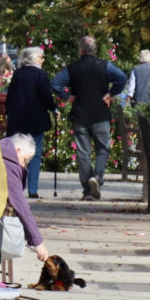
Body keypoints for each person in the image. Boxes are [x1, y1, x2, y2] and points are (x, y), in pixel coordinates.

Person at [51, 36, 127, 200]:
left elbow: (55, 84)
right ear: (94, 50)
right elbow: (122, 78)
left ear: (81, 50)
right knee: (103, 148)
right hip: (100, 114)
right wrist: (110, 94)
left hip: (80, 115)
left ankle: (87, 190)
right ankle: (98, 177)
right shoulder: (104, 66)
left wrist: (67, 95)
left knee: (83, 153)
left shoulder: (73, 68)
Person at [5, 47, 57, 199]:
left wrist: (8, 114)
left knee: (16, 154)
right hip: (36, 121)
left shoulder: (18, 74)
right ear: (34, 59)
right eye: (41, 57)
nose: (43, 60)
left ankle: (17, 187)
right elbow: (46, 96)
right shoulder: (41, 75)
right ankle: (33, 189)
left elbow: (10, 97)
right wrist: (54, 109)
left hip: (18, 121)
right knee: (35, 154)